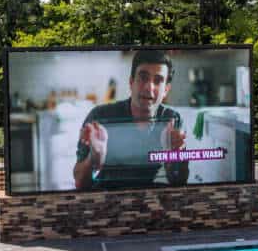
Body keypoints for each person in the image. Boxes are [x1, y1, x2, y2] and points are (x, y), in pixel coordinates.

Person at [71, 49, 190, 190]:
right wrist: (95, 156)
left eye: (158, 81)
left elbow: (179, 182)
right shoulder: (100, 117)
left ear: (166, 90)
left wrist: (172, 155)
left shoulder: (172, 119)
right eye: (143, 77)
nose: (149, 88)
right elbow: (80, 183)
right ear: (131, 82)